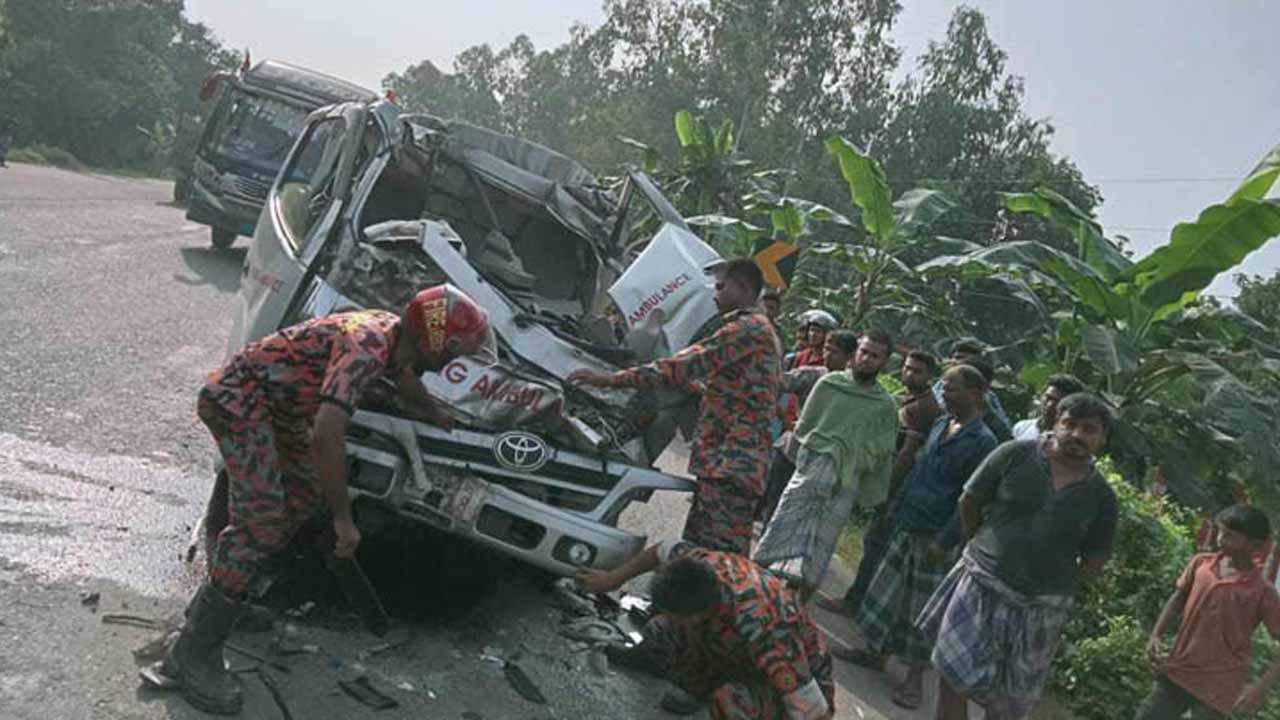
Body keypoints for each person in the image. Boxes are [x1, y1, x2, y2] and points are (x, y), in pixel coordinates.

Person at [144, 285, 491, 715]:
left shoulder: (396, 339)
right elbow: (327, 433)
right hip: (241, 401)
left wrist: (437, 415)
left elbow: (403, 379)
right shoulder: (367, 346)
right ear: (439, 341)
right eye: (455, 352)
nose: (454, 362)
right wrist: (344, 520)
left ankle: (222, 602)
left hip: (279, 408)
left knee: (303, 500)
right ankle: (192, 655)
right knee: (262, 525)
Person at [919, 392, 1119, 720]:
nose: (1078, 435)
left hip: (1041, 609)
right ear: (1056, 423)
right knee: (953, 676)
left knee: (1008, 701)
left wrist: (1053, 584)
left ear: (1102, 439)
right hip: (982, 582)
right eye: (1070, 424)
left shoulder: (1102, 497)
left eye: (1090, 429)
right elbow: (969, 501)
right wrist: (981, 545)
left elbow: (1095, 560)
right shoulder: (1014, 454)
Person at [569, 258, 781, 554]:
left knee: (714, 558)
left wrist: (609, 379)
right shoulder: (757, 329)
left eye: (721, 286)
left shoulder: (746, 329)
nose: (714, 293)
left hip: (731, 462)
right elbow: (725, 388)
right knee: (699, 549)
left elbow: (682, 366)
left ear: (744, 287)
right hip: (730, 461)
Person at [840, 365, 997, 710]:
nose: (944, 394)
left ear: (975, 393)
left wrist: (947, 540)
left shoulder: (983, 442)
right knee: (886, 592)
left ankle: (914, 680)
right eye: (944, 388)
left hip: (936, 534)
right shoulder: (941, 424)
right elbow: (919, 469)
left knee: (922, 611)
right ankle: (874, 652)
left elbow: (972, 500)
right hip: (908, 520)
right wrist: (895, 506)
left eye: (952, 389)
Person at [579, 540, 835, 720]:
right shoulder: (696, 565)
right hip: (737, 648)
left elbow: (813, 710)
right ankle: (694, 682)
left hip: (792, 683)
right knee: (659, 630)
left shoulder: (764, 630)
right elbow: (660, 549)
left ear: (698, 616)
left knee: (731, 702)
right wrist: (610, 580)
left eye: (679, 617)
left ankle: (723, 691)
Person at [753, 330, 898, 599]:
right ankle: (751, 599)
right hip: (808, 476)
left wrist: (849, 455)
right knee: (774, 539)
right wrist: (819, 458)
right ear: (856, 353)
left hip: (843, 489)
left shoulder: (885, 406)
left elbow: (882, 450)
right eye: (863, 352)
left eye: (874, 356)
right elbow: (804, 429)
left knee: (817, 559)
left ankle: (794, 616)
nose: (866, 359)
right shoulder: (829, 384)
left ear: (884, 363)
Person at [818, 349, 941, 617]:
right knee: (874, 542)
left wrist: (886, 490)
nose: (909, 373)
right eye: (907, 368)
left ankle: (856, 602)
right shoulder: (910, 399)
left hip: (897, 487)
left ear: (930, 376)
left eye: (917, 371)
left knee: (876, 545)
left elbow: (907, 453)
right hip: (892, 482)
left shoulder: (922, 407)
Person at [1139, 505, 1280, 719]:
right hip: (1179, 669)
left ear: (1255, 546)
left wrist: (1260, 688)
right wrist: (1155, 635)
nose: (1221, 539)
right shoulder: (1201, 564)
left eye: (1230, 536)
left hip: (1219, 685)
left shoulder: (1261, 591)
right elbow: (1177, 599)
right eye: (1221, 531)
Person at [757, 331, 856, 527]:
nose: (828, 355)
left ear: (849, 357)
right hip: (791, 452)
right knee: (773, 510)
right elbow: (776, 383)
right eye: (827, 349)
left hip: (819, 463)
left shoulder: (854, 389)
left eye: (835, 352)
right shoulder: (812, 375)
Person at [932, 338, 1011, 437]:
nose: (955, 362)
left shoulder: (988, 395)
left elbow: (1005, 432)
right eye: (955, 358)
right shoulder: (940, 386)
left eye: (961, 358)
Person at [1011, 374, 1085, 441]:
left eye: (1058, 401)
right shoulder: (1021, 428)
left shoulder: (1070, 441)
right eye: (1048, 398)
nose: (1050, 405)